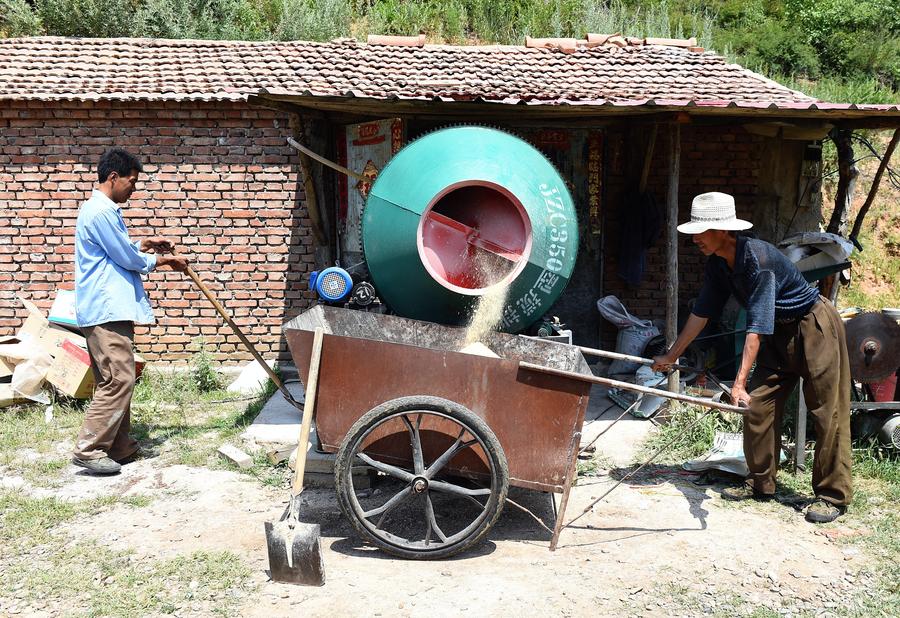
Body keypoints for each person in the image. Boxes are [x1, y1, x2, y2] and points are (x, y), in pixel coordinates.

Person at [652, 192, 852, 524]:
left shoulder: (760, 261)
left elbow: (755, 329)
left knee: (826, 411)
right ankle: (761, 482)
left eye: (702, 232)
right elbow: (701, 313)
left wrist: (739, 382)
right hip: (777, 334)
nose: (696, 240)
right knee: (758, 405)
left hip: (814, 326)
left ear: (725, 231)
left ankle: (832, 495)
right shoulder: (718, 264)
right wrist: (671, 355)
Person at [71, 148, 188, 475]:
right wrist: (161, 260)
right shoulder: (101, 212)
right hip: (105, 310)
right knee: (119, 379)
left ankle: (119, 446)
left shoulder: (99, 210)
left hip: (107, 309)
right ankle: (90, 448)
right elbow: (125, 258)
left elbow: (115, 252)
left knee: (114, 378)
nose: (133, 189)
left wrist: (144, 244)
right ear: (113, 177)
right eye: (131, 182)